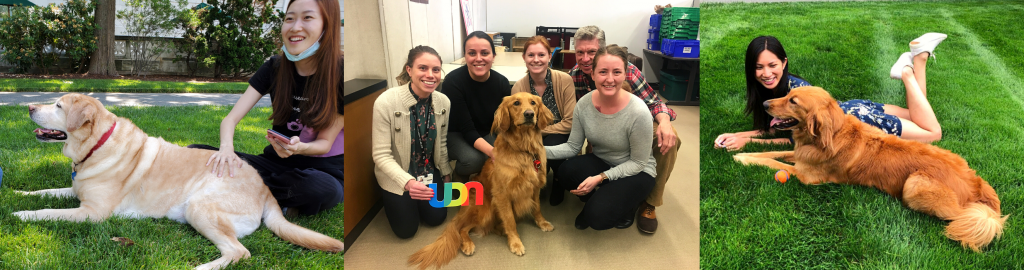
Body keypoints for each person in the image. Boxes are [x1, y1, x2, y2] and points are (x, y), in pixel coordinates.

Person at [192, 0, 343, 217]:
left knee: (320, 189)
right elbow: (230, 119)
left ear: (327, 26)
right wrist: (226, 149)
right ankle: (269, 198)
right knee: (196, 154)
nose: (295, 27)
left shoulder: (339, 74)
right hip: (276, 164)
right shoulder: (274, 67)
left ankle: (243, 188)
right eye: (289, 18)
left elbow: (324, 144)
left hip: (322, 170)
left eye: (307, 18)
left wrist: (299, 148)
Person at [714, 34, 946, 150]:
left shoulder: (796, 91)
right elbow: (773, 129)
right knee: (916, 112)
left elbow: (793, 141)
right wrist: (739, 134)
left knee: (933, 133)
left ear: (784, 63)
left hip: (857, 118)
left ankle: (906, 72)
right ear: (751, 69)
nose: (766, 73)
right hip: (850, 106)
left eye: (772, 65)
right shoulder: (771, 90)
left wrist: (749, 143)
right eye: (759, 67)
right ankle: (920, 57)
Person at [568, 25, 678, 234]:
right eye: (579, 52)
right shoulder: (573, 75)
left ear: (601, 50)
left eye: (591, 52)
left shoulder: (628, 72)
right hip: (602, 127)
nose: (584, 58)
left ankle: (648, 203)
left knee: (669, 139)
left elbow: (653, 103)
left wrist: (664, 122)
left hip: (635, 119)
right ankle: (608, 195)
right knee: (575, 168)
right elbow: (578, 115)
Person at [548, 45, 656, 231]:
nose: (610, 79)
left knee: (598, 219)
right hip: (603, 160)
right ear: (593, 74)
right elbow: (573, 146)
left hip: (638, 171)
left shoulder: (638, 111)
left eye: (616, 72)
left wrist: (600, 178)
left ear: (625, 75)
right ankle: (597, 202)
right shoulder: (583, 104)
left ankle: (625, 203)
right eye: (603, 72)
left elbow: (638, 162)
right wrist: (535, 150)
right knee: (566, 172)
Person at [373, 46, 453, 239]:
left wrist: (446, 173)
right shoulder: (386, 102)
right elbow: (381, 155)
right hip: (398, 175)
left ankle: (418, 202)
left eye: (436, 70)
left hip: (427, 172)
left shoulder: (443, 102)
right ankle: (401, 202)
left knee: (437, 218)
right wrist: (407, 182)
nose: (430, 75)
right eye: (422, 68)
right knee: (406, 231)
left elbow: (441, 143)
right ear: (409, 70)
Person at [510, 35, 577, 206]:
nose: (536, 60)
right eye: (531, 55)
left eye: (541, 55)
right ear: (524, 58)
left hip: (559, 132)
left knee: (552, 144)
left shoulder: (565, 80)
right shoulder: (518, 87)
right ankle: (534, 178)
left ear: (549, 56)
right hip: (528, 134)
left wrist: (539, 129)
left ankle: (557, 180)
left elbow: (570, 122)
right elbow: (516, 123)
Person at [442, 31, 511, 181]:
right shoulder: (453, 82)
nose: (478, 59)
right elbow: (467, 129)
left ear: (493, 56)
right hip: (457, 133)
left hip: (487, 131)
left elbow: (504, 121)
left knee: (507, 150)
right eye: (472, 53)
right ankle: (460, 174)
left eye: (485, 53)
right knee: (474, 160)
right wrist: (493, 152)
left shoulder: (502, 83)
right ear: (465, 56)